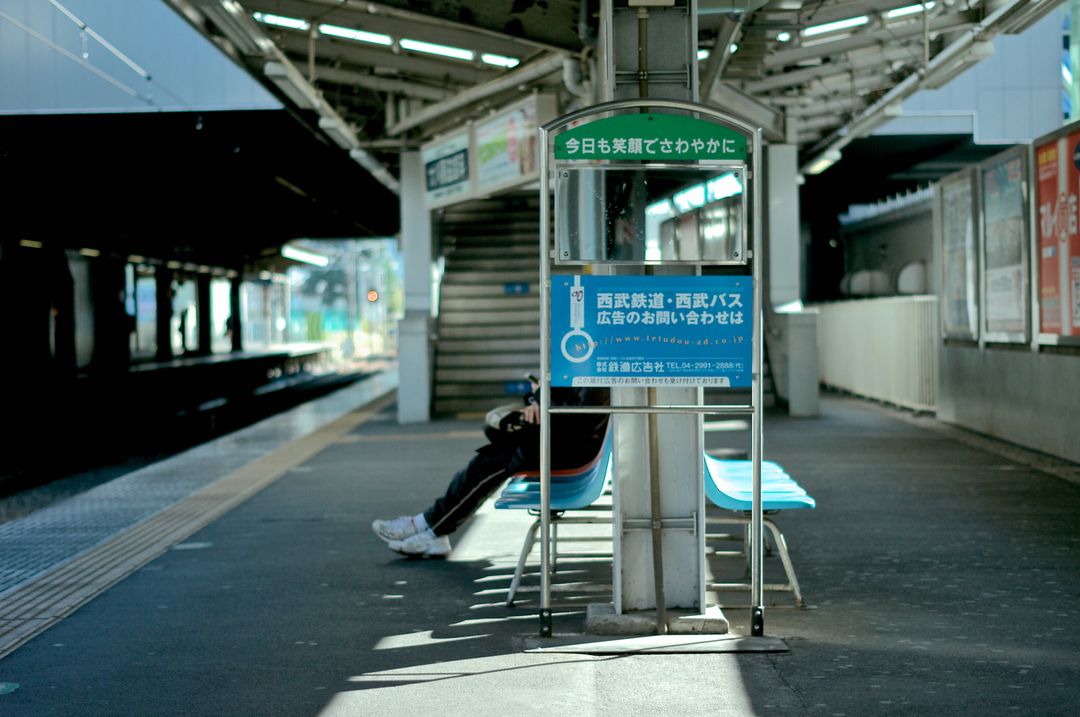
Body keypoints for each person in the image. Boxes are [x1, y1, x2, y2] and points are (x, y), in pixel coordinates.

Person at [372, 386, 609, 558]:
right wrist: (537, 400)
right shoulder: (585, 354)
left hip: (572, 450)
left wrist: (541, 403)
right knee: (490, 458)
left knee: (489, 461)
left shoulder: (594, 364)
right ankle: (431, 527)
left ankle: (430, 528)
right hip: (565, 442)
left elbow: (581, 416)